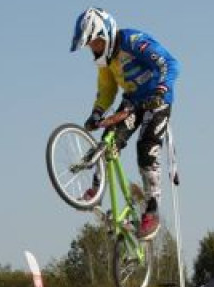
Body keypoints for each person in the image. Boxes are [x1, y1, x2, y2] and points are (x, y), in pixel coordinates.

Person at [70, 7, 180, 240]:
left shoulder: (133, 41)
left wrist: (161, 88)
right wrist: (97, 112)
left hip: (156, 101)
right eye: (90, 45)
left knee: (146, 148)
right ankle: (96, 190)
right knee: (108, 140)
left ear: (106, 33)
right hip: (131, 103)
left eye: (95, 42)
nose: (93, 48)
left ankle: (152, 210)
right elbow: (107, 88)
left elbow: (170, 63)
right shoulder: (106, 62)